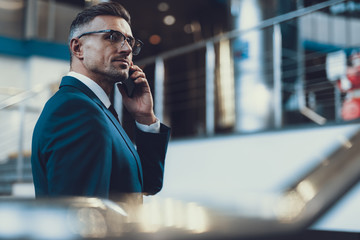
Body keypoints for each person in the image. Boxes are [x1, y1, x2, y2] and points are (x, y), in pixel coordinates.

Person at [31, 2, 171, 204]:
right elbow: (81, 222)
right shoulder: (75, 110)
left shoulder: (96, 109)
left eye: (129, 41)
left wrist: (144, 118)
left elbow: (147, 185)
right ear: (78, 48)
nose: (126, 49)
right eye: (112, 37)